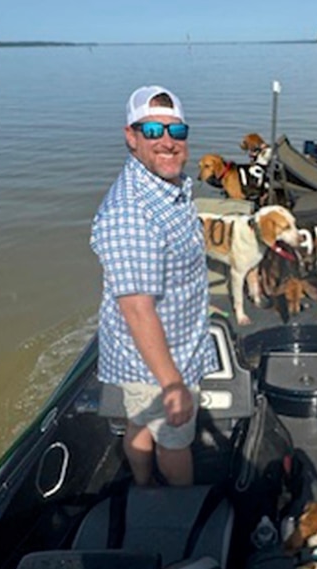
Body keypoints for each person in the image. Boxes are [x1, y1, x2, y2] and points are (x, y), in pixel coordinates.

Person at [91, 85, 211, 487]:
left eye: (176, 132)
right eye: (152, 131)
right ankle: (179, 506)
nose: (167, 142)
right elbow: (137, 310)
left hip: (173, 344)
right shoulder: (131, 214)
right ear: (131, 136)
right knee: (173, 441)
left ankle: (142, 486)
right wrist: (172, 384)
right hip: (156, 361)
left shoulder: (167, 187)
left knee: (137, 423)